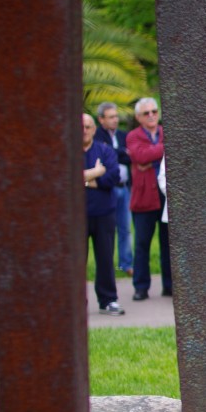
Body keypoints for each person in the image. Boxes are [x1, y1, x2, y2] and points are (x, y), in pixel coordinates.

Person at [126, 97, 172, 300]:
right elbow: (140, 156)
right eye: (147, 113)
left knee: (169, 244)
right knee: (142, 244)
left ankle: (170, 285)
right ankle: (141, 287)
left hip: (166, 196)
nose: (152, 115)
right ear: (138, 117)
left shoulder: (166, 131)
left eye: (154, 111)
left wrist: (151, 155)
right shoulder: (133, 136)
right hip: (144, 198)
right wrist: (164, 149)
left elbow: (148, 156)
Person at [82, 113, 124, 315]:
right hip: (76, 217)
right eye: (80, 127)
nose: (84, 130)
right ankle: (76, 302)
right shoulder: (67, 151)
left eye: (88, 126)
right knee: (76, 261)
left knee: (106, 259)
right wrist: (96, 173)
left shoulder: (105, 150)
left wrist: (84, 179)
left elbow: (113, 177)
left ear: (94, 129)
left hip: (104, 213)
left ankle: (108, 300)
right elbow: (64, 177)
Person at [94, 102, 133, 275]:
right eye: (111, 117)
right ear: (101, 119)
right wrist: (121, 152)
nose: (115, 120)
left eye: (116, 116)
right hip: (107, 189)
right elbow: (104, 157)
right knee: (108, 230)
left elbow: (131, 156)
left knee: (125, 228)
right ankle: (108, 266)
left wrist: (114, 152)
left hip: (124, 188)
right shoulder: (97, 136)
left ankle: (125, 264)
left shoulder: (124, 135)